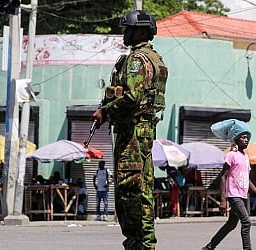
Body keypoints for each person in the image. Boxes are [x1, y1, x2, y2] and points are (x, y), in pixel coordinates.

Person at [91, 9, 167, 250]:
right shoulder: (155, 59)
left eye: (129, 29)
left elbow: (133, 97)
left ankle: (140, 244)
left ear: (141, 31)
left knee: (130, 190)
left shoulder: (137, 60)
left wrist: (106, 111)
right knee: (139, 188)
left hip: (133, 131)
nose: (125, 33)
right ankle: (142, 244)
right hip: (142, 130)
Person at [202, 119, 256, 250]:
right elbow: (223, 176)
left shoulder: (246, 157)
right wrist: (223, 199)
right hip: (233, 194)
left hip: (242, 195)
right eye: (243, 137)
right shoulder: (231, 155)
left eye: (247, 137)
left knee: (231, 224)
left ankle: (209, 247)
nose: (246, 140)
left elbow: (247, 179)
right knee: (246, 222)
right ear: (235, 139)